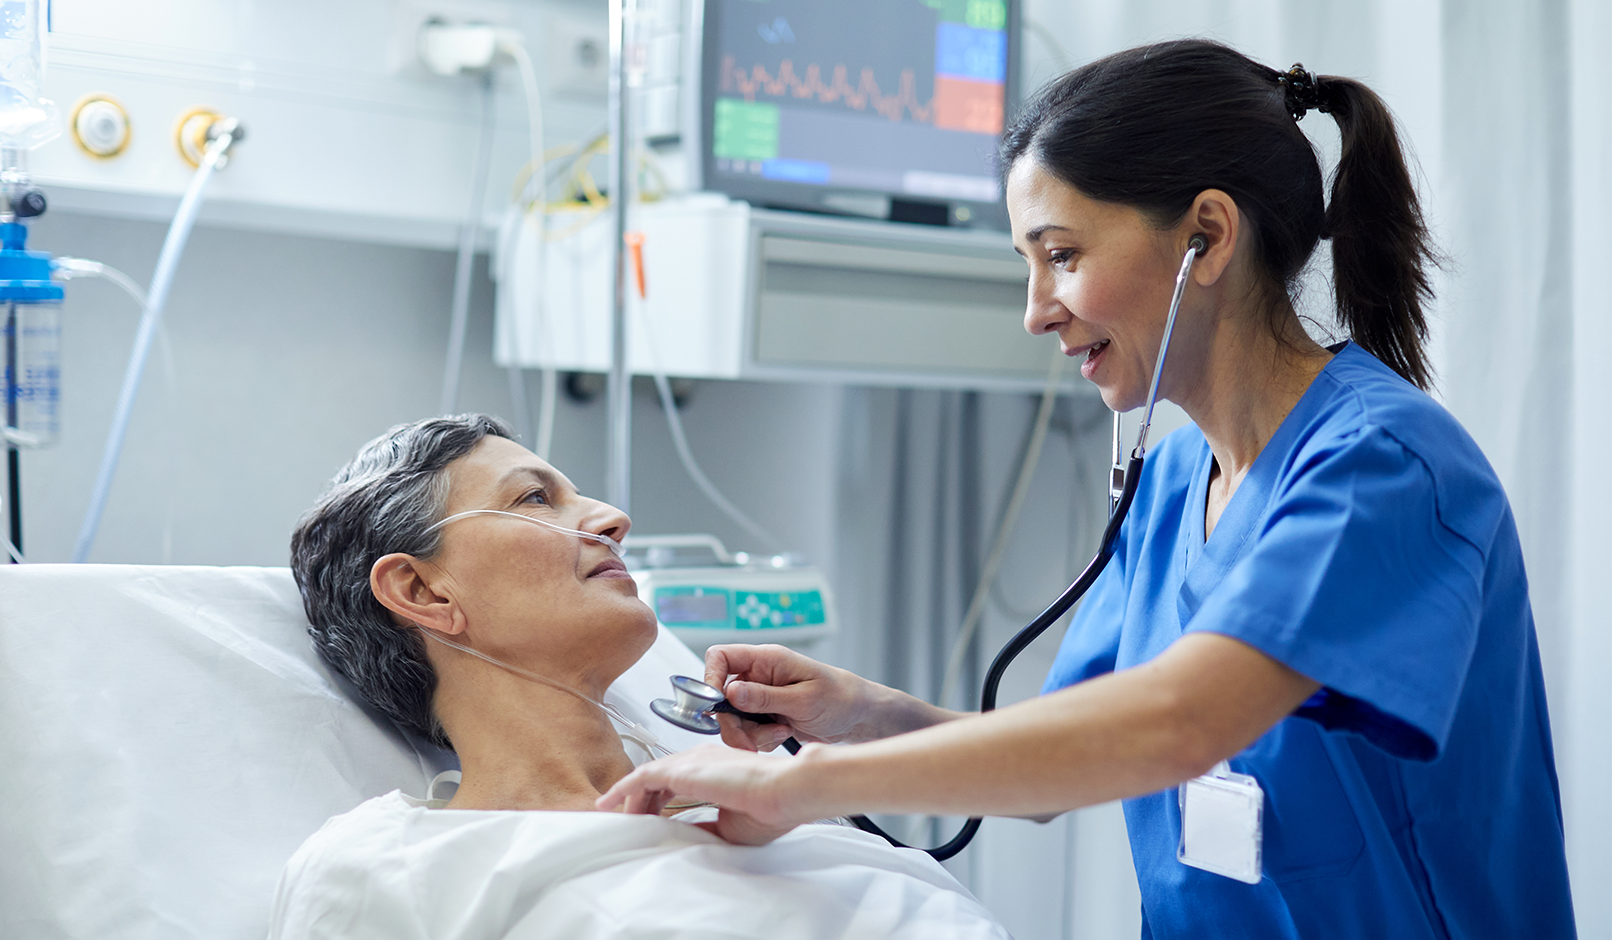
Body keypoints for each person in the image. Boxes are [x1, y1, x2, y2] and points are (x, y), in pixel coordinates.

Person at [597, 39, 1577, 939]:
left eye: (1061, 255)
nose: (1034, 312)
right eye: (1027, 265)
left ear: (1207, 234)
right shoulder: (1178, 476)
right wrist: (858, 712)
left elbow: (1174, 724)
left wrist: (801, 792)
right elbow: (1052, 763)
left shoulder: (1378, 467)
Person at [270, 415, 1011, 940]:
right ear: (423, 593)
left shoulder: (783, 807)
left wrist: (867, 726)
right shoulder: (386, 867)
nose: (613, 518)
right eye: (535, 497)